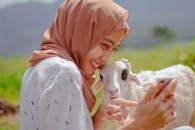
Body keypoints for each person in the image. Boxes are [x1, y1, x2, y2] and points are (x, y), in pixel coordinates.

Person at [19, 0, 177, 130]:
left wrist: (97, 119)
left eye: (113, 49)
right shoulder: (64, 73)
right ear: (81, 32)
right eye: (104, 45)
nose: (106, 58)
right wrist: (138, 125)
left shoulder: (36, 68)